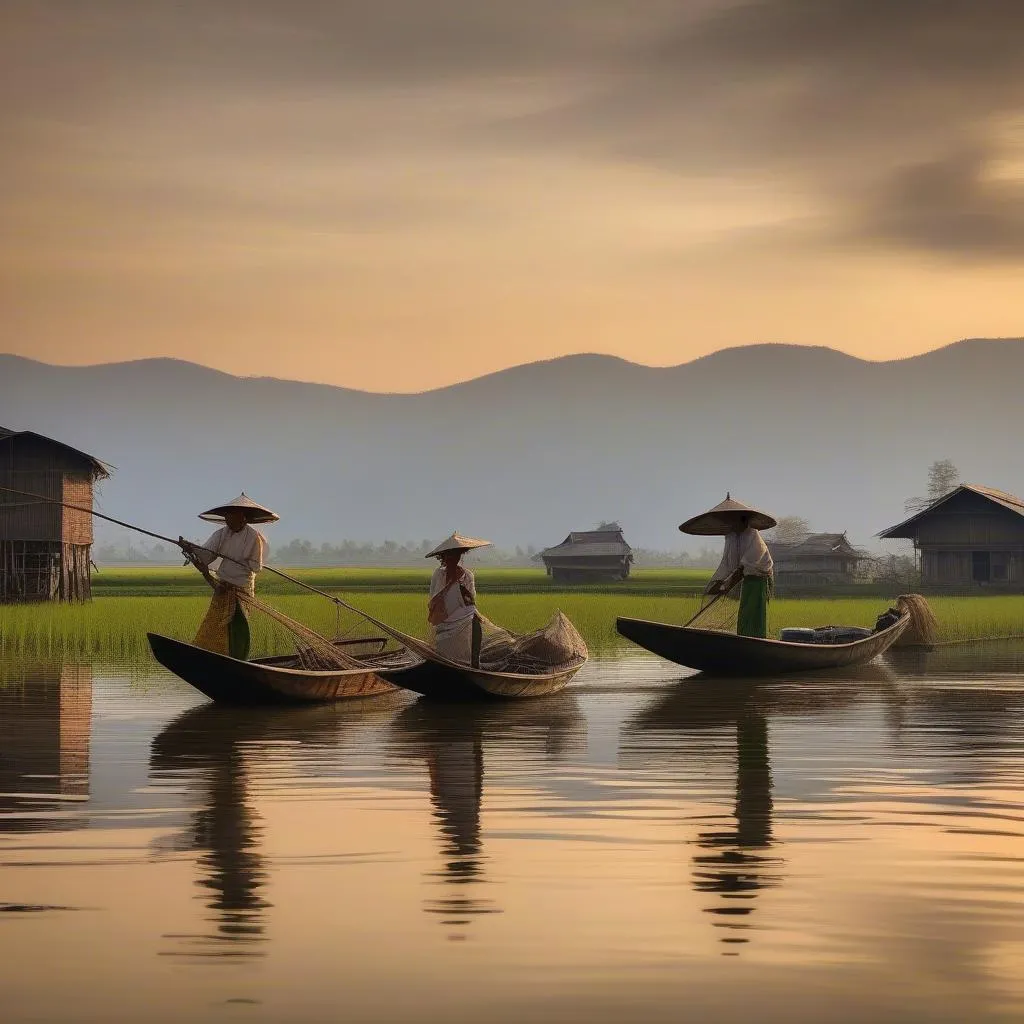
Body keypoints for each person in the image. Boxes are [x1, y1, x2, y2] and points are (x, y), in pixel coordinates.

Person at [178, 493, 279, 660]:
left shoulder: (254, 538)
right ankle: (211, 658)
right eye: (227, 518)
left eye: (232, 518)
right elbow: (206, 555)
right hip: (222, 586)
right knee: (215, 624)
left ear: (243, 519)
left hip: (241, 589)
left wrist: (240, 560)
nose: (228, 521)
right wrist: (190, 547)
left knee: (237, 627)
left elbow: (255, 566)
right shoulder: (221, 534)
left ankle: (238, 659)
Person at [680, 493, 776, 639]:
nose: (731, 524)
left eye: (734, 521)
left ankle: (755, 639)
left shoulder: (753, 537)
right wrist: (719, 583)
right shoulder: (732, 537)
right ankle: (745, 638)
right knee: (744, 612)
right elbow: (728, 565)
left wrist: (726, 584)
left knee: (752, 612)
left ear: (743, 521)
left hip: (758, 579)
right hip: (745, 578)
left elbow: (746, 567)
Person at [425, 532, 492, 666]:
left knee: (472, 640)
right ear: (443, 556)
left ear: (460, 555)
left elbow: (471, 600)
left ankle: (471, 667)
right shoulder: (439, 574)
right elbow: (433, 599)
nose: (453, 558)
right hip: (445, 621)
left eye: (456, 554)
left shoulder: (467, 575)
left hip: (466, 620)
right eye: (450, 554)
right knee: (445, 656)